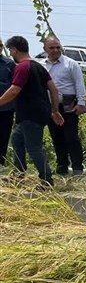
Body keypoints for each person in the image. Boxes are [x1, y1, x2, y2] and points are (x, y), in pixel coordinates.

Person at [0, 36, 63, 185]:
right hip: (35, 113)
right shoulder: (38, 66)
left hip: (31, 114)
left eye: (10, 50)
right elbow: (53, 89)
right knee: (17, 140)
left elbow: (14, 90)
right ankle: (19, 173)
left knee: (33, 148)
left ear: (14, 49)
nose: (11, 53)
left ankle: (47, 180)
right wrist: (55, 110)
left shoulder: (22, 67)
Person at [43, 36, 86, 176]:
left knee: (71, 137)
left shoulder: (71, 64)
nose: (56, 50)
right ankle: (62, 167)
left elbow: (79, 84)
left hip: (69, 105)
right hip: (51, 107)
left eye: (58, 47)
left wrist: (81, 104)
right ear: (45, 49)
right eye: (52, 48)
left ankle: (77, 168)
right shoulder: (41, 65)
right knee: (56, 137)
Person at [0, 40, 16, 171]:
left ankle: (0, 163)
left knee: (3, 136)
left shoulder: (9, 64)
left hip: (5, 108)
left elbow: (15, 86)